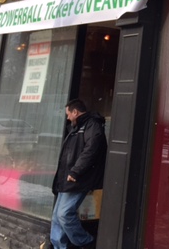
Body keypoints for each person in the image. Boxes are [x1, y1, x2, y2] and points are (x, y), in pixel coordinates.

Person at [50, 99, 107, 249]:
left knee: (64, 214)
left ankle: (86, 241)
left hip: (78, 179)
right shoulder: (76, 128)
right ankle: (58, 246)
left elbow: (90, 151)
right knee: (57, 217)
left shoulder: (92, 125)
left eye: (68, 114)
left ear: (75, 112)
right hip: (67, 179)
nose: (68, 118)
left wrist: (76, 171)